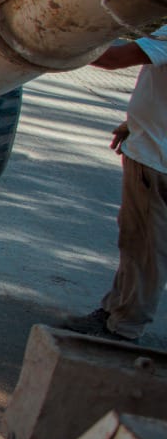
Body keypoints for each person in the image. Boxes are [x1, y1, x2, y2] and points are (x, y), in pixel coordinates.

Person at [60, 30, 167, 342]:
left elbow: (113, 59)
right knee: (136, 241)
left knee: (145, 247)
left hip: (155, 161)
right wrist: (135, 124)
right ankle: (114, 312)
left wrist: (58, 36)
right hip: (152, 149)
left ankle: (124, 327)